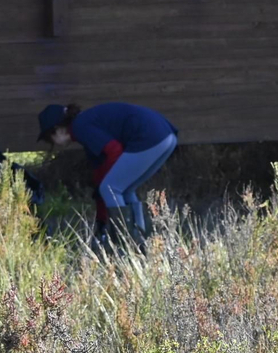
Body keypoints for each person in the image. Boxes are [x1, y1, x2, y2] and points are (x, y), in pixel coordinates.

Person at [38, 101, 179, 248]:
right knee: (123, 189)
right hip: (166, 136)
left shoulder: (80, 127)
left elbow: (114, 151)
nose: (52, 144)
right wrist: (101, 221)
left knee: (111, 187)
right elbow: (100, 175)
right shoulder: (85, 124)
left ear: (58, 130)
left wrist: (106, 182)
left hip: (149, 137)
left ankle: (125, 245)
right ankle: (139, 243)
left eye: (49, 139)